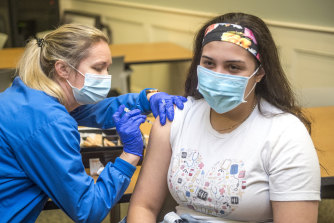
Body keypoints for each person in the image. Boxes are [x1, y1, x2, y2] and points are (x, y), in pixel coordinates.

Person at [126, 12, 321, 223]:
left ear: (259, 73)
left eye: (234, 67)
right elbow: (143, 207)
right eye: (209, 64)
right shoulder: (175, 117)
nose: (218, 75)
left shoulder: (285, 133)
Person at [0, 24, 186, 222]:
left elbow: (96, 111)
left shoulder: (27, 96)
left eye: (107, 67)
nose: (106, 76)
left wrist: (145, 99)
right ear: (62, 68)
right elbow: (88, 210)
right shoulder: (50, 122)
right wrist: (130, 154)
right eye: (98, 68)